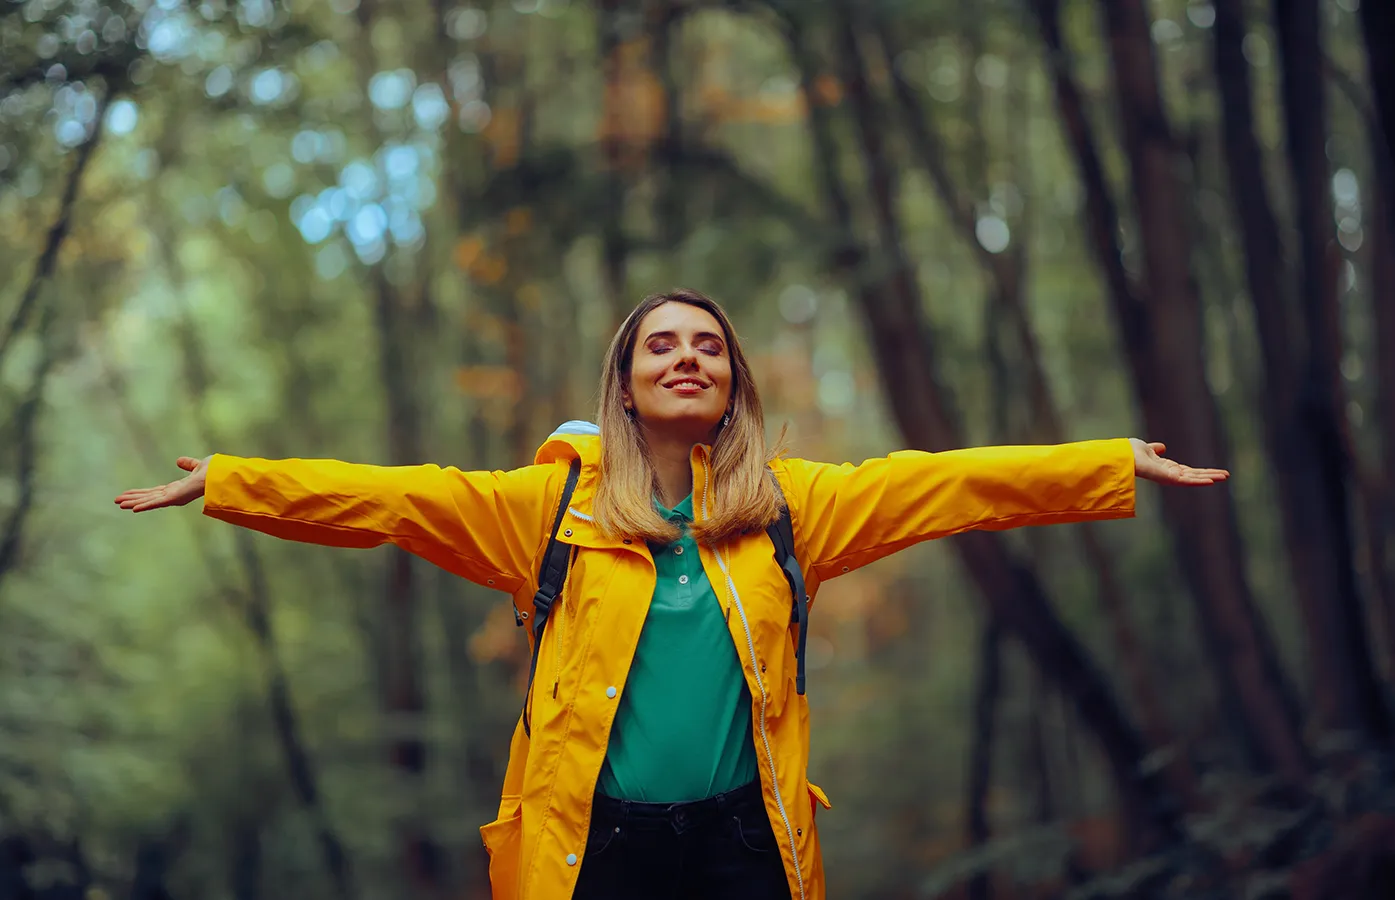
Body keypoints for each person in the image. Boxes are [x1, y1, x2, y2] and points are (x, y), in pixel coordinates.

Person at [115, 288, 1228, 900]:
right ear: (628, 383)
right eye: (662, 346)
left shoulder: (793, 510)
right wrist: (232, 482)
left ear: (733, 379)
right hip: (593, 851)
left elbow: (948, 487)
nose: (687, 358)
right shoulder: (545, 514)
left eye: (708, 346)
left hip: (746, 849)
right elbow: (396, 499)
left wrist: (1108, 462)